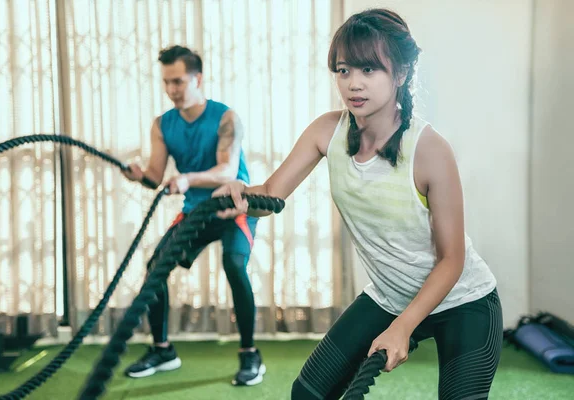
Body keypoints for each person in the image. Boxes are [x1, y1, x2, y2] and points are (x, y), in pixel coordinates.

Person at [213, 8, 502, 400]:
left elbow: (451, 259)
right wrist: (243, 197)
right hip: (389, 294)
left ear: (400, 75)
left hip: (463, 300)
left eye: (369, 70)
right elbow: (271, 195)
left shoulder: (430, 150)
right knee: (307, 394)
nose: (353, 84)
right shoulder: (326, 132)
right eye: (344, 70)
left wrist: (404, 326)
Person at [123, 45, 265, 386]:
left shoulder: (226, 117)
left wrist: (186, 179)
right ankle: (163, 351)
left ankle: (250, 354)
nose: (172, 90)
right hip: (196, 211)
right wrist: (139, 174)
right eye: (166, 82)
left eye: (178, 81)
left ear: (197, 78)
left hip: (233, 207)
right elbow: (156, 177)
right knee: (155, 267)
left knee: (233, 264)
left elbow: (226, 169)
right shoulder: (162, 125)